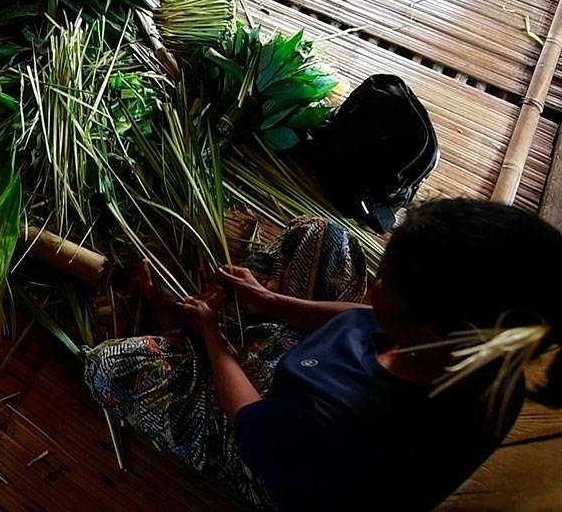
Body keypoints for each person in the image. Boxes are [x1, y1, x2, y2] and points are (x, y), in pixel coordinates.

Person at [85, 202, 562, 511]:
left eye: (385, 281)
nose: (373, 287)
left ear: (425, 328)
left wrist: (211, 340)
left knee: (111, 367)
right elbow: (364, 318)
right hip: (313, 384)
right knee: (322, 233)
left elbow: (248, 418)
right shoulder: (485, 355)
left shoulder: (336, 415)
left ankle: (177, 337)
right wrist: (272, 304)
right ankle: (247, 322)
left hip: (272, 453)